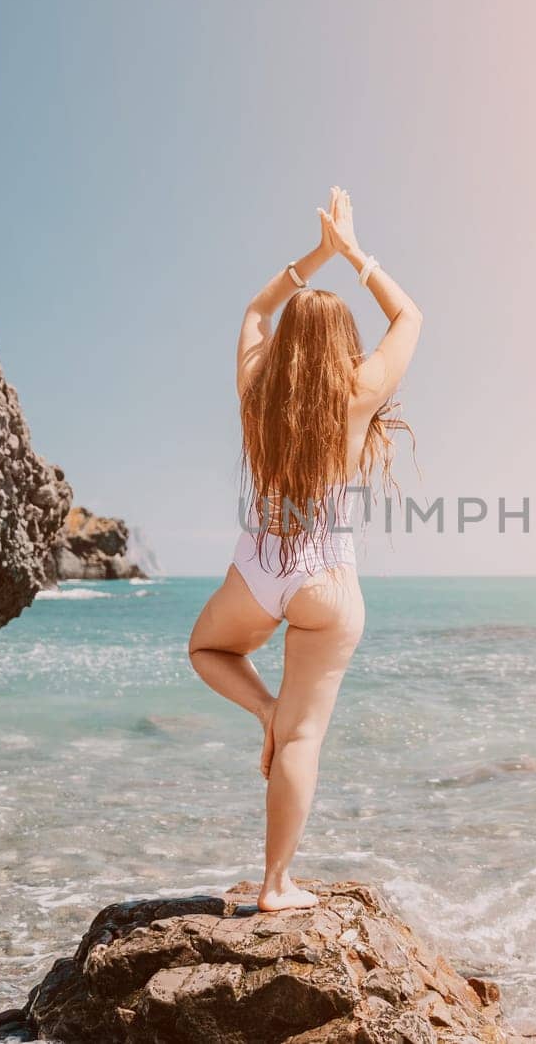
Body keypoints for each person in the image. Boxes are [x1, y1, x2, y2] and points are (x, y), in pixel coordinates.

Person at [187, 186, 422, 911]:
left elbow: (255, 312)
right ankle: (276, 884)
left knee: (206, 649)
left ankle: (264, 710)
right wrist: (352, 253)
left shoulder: (257, 391)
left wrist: (309, 259)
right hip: (326, 576)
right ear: (340, 346)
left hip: (258, 568)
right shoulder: (358, 389)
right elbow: (409, 315)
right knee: (304, 734)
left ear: (290, 344)